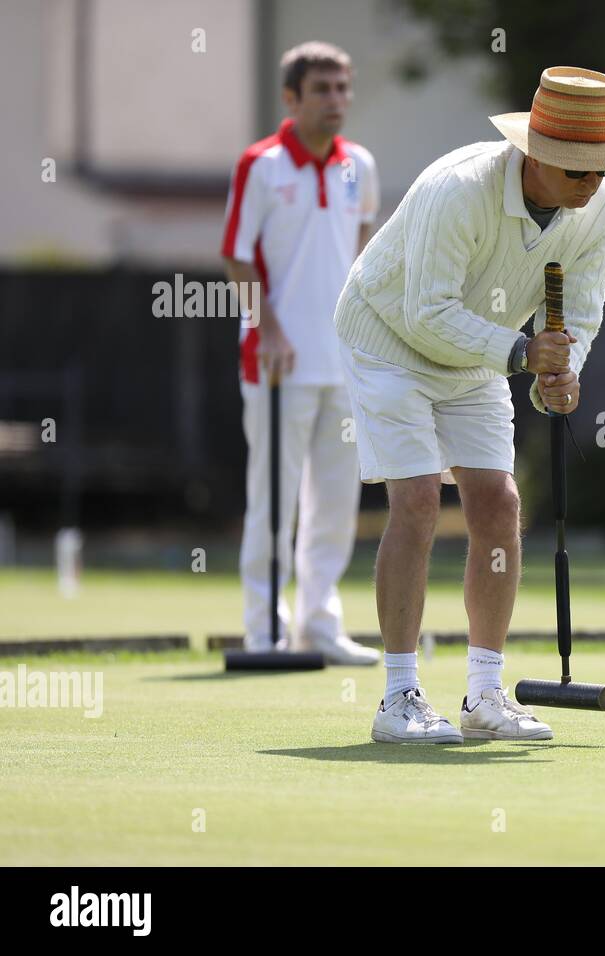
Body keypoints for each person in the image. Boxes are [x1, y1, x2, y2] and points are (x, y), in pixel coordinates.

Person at [334, 66, 605, 742]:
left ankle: (485, 695)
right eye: (576, 170)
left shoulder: (601, 208)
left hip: (479, 355)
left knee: (500, 506)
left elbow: (582, 316)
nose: (590, 183)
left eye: (600, 168)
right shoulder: (459, 191)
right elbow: (425, 314)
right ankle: (398, 698)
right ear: (536, 154)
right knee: (418, 499)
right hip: (389, 340)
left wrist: (561, 375)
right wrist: (520, 355)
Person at [221, 42, 380, 665]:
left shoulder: (358, 166)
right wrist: (271, 331)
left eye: (343, 88)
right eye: (322, 89)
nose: (336, 100)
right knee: (273, 500)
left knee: (336, 502)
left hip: (343, 364)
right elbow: (237, 255)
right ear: (291, 98)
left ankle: (319, 623)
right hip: (275, 362)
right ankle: (264, 628)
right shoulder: (260, 166)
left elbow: (362, 251)